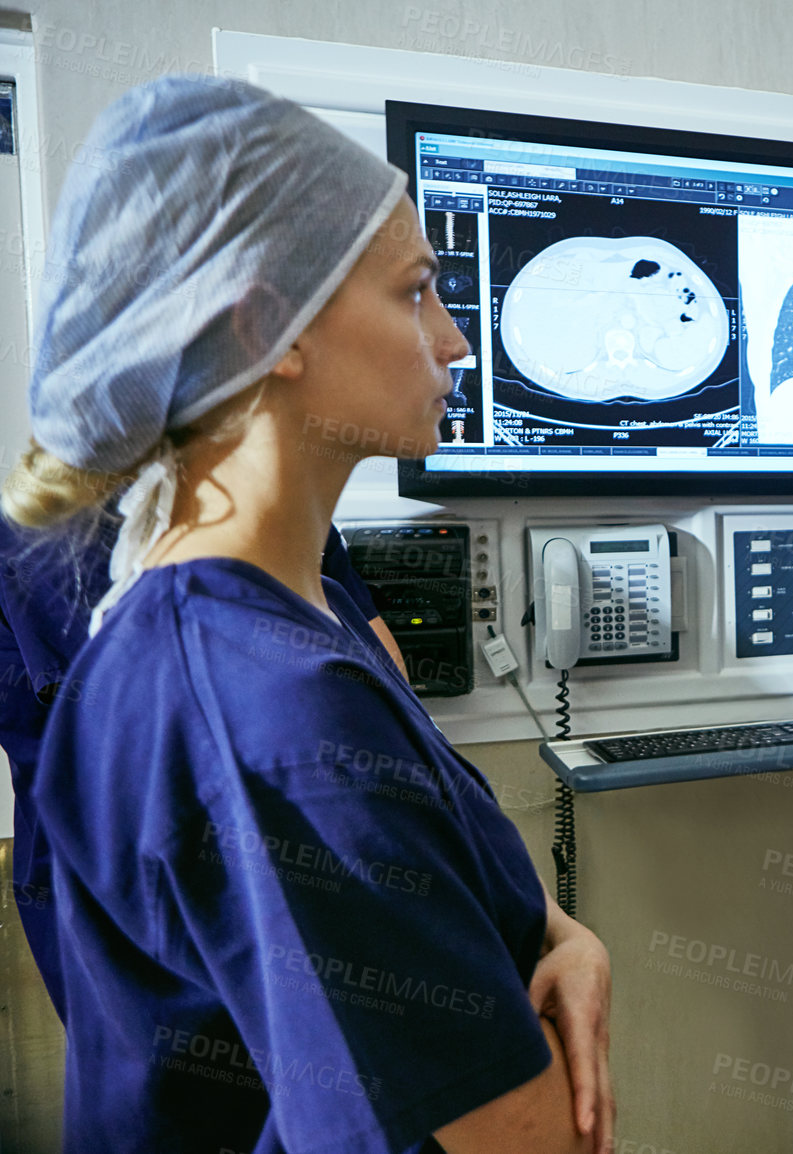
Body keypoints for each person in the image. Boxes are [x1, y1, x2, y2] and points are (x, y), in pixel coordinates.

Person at [2, 75, 611, 1152]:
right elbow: (527, 1137)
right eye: (416, 291)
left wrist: (560, 933)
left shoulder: (281, 619)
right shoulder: (270, 709)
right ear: (266, 322)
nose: (456, 341)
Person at [0, 517, 406, 1019]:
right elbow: (141, 733)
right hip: (135, 880)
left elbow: (387, 675)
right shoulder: (57, 529)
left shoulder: (296, 513)